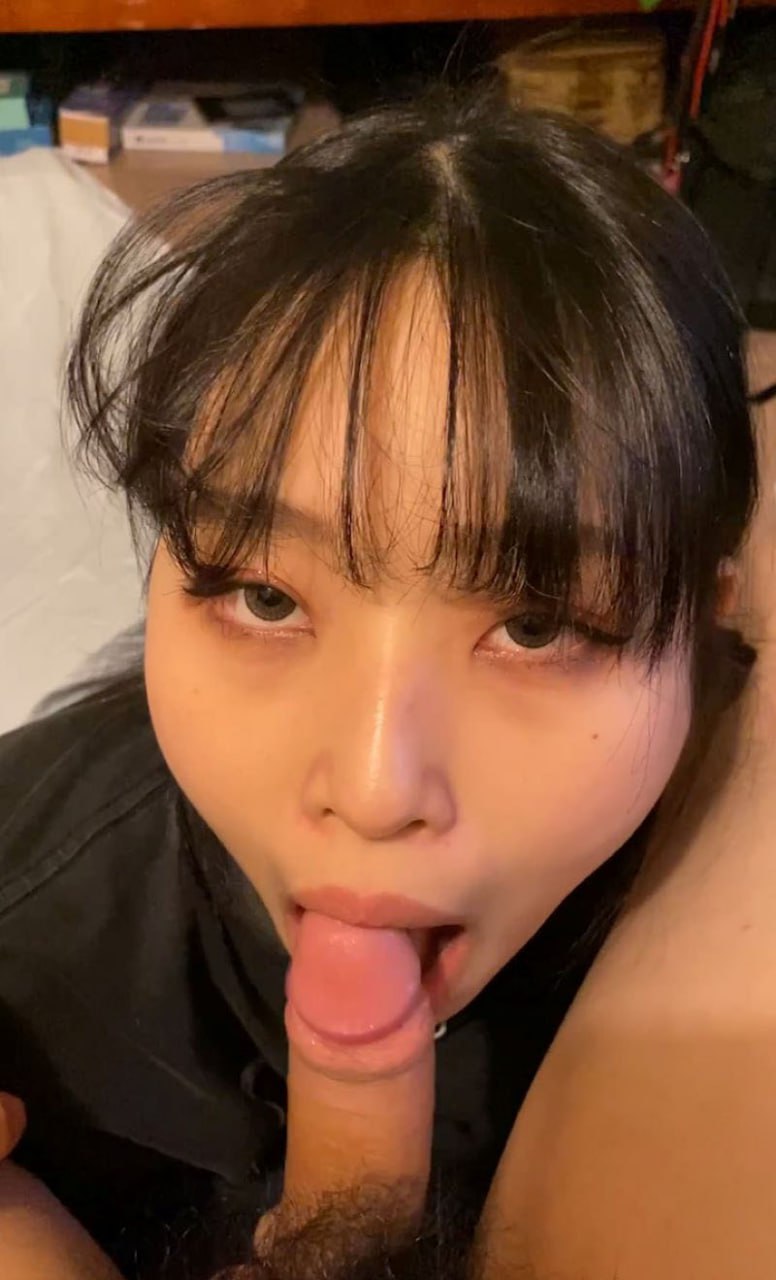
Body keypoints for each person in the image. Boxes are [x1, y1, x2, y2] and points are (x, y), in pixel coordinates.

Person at [0, 87, 757, 1280]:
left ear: (705, 616)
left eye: (535, 624)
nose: (370, 787)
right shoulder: (33, 953)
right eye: (264, 595)